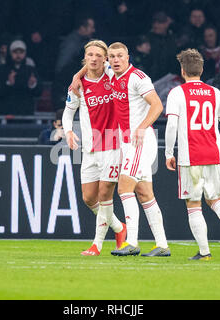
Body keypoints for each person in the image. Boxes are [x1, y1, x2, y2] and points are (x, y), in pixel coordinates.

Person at [71, 42, 170, 257]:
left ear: (128, 58)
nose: (115, 60)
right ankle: (162, 245)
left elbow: (158, 105)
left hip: (139, 140)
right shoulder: (113, 75)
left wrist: (142, 128)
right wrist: (77, 76)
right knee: (144, 193)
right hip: (127, 142)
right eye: (112, 56)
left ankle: (131, 242)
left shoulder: (138, 77)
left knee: (124, 187)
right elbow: (91, 63)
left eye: (120, 56)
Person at [164, 49, 220, 261]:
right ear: (201, 70)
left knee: (194, 204)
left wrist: (168, 152)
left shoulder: (177, 93)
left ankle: (204, 252)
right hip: (212, 153)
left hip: (190, 156)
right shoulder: (215, 92)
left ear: (183, 71)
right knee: (215, 199)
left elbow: (172, 124)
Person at [62, 40, 126, 256]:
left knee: (104, 193)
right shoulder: (78, 86)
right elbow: (68, 112)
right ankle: (119, 227)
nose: (94, 58)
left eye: (99, 55)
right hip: (90, 148)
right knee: (89, 198)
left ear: (105, 58)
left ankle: (96, 245)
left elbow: (116, 62)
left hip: (112, 144)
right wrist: (69, 131)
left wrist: (78, 74)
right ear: (85, 57)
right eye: (90, 54)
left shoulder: (111, 74)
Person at [0, 39, 41, 115]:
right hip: (7, 113)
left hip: (26, 113)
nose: (18, 55)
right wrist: (8, 83)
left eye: (21, 52)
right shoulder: (3, 70)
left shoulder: (31, 70)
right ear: (10, 53)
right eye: (15, 52)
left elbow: (38, 93)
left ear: (25, 53)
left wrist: (32, 85)